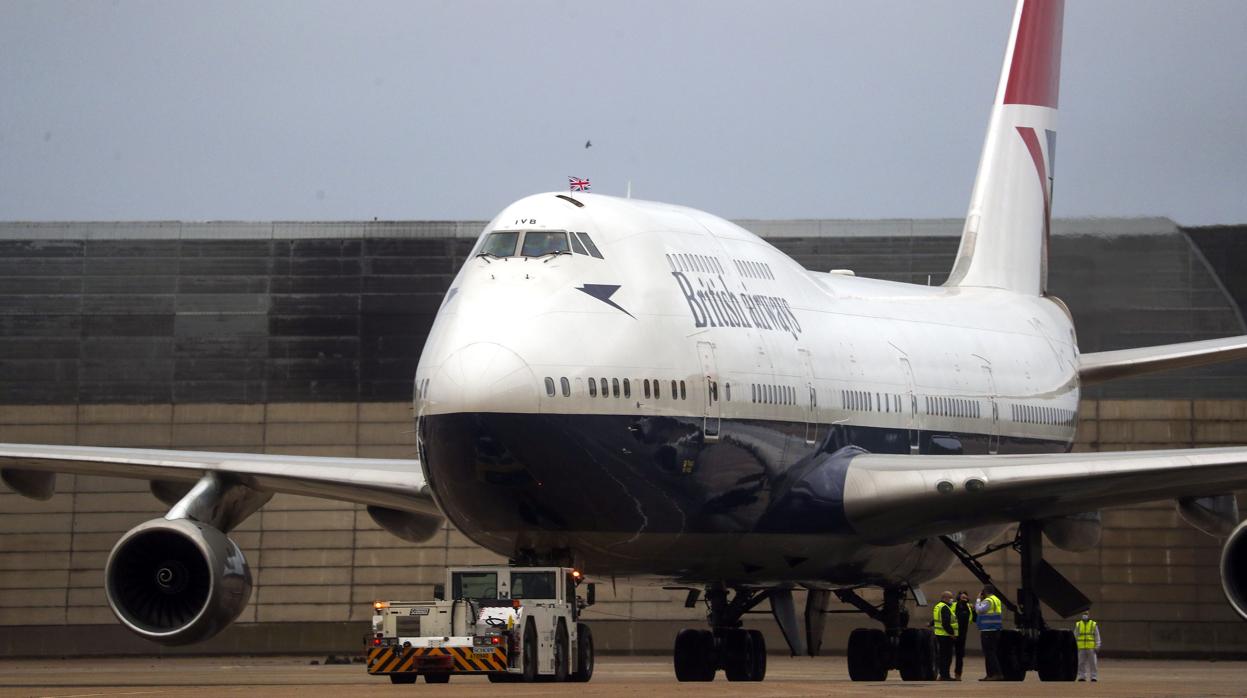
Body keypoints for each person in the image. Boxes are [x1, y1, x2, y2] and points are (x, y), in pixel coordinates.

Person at [975, 584, 1004, 681]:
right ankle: (990, 675)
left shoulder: (988, 600)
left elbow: (979, 610)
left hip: (988, 630)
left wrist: (978, 599)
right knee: (990, 652)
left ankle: (996, 674)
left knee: (989, 653)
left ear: (985, 591)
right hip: (995, 629)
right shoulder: (996, 599)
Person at [932, 590, 959, 680]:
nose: (952, 599)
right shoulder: (945, 607)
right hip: (946, 636)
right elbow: (946, 623)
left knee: (942, 656)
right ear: (944, 598)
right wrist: (952, 633)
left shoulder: (938, 606)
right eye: (950, 597)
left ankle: (943, 674)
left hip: (940, 634)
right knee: (946, 657)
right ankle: (945, 675)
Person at [1075, 610, 1101, 682]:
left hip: (1091, 647)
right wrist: (1075, 646)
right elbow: (1075, 636)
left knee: (1093, 663)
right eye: (1084, 614)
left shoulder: (1093, 624)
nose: (1085, 615)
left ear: (1089, 615)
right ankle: (1081, 676)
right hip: (1081, 647)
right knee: (1081, 663)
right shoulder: (1078, 624)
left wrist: (1097, 645)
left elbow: (1097, 636)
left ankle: (1094, 677)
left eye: (1086, 614)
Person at [953, 590, 974, 680]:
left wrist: (974, 610)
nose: (964, 599)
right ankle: (944, 674)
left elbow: (975, 619)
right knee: (946, 655)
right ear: (958, 598)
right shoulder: (954, 606)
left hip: (962, 635)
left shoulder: (969, 608)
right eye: (962, 598)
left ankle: (958, 675)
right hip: (951, 633)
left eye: (966, 598)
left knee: (960, 656)